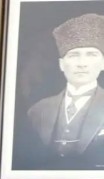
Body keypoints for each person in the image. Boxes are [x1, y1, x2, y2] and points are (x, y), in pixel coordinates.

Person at [25, 13, 104, 170]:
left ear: (103, 63)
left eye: (91, 55)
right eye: (74, 55)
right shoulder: (38, 110)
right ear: (61, 64)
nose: (82, 64)